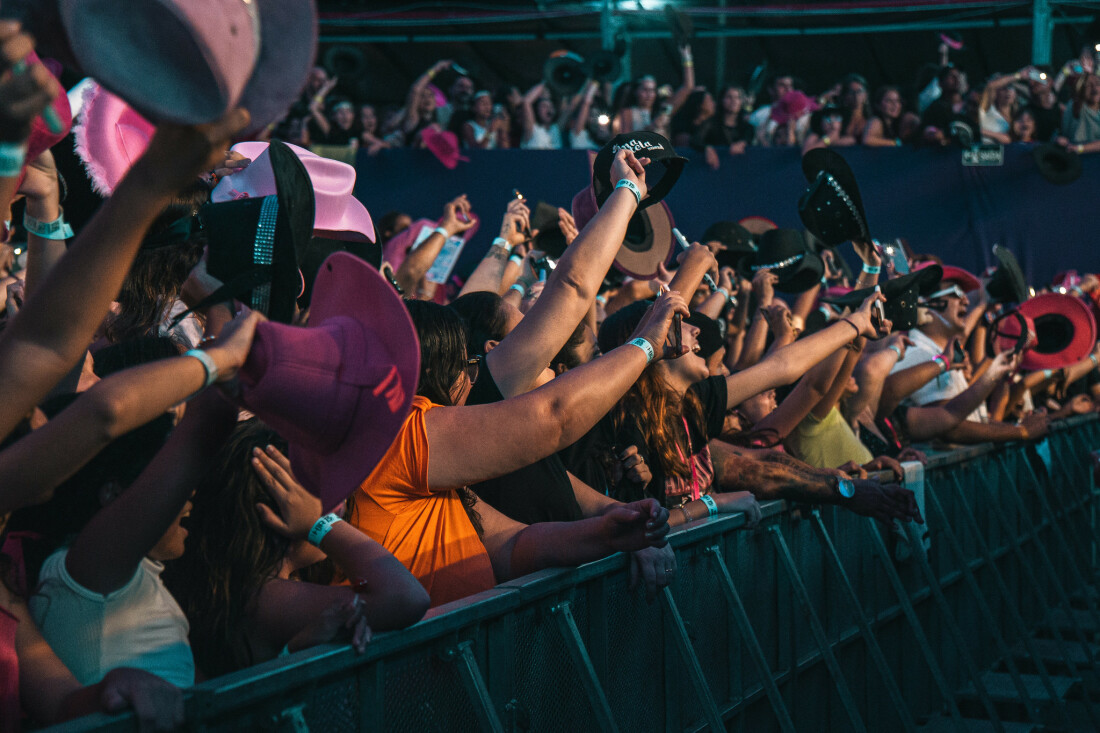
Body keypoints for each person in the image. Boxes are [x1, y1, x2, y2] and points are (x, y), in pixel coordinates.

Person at [167, 422, 428, 678]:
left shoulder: (236, 585)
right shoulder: (265, 597)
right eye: (317, 498)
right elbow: (407, 598)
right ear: (279, 513)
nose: (340, 507)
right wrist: (320, 524)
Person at [1058, 73, 1100, 154]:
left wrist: (1081, 148)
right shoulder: (1074, 106)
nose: (1094, 89)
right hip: (1076, 158)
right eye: (1089, 85)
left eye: (1098, 84)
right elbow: (1063, 135)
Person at [519, 83, 563, 150]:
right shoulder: (532, 129)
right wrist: (546, 81)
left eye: (551, 107)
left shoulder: (556, 129)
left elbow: (571, 106)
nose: (548, 109)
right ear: (537, 110)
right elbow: (526, 102)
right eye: (544, 106)